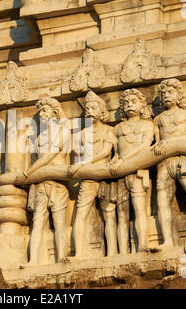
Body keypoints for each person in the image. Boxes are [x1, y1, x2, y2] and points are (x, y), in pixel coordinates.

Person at [15, 97, 70, 265]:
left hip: (57, 182)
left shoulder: (63, 132)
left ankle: (61, 257)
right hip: (40, 184)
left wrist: (28, 173)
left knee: (59, 221)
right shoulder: (39, 139)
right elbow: (35, 159)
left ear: (55, 112)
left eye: (45, 111)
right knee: (37, 223)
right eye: (39, 112)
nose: (41, 115)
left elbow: (50, 156)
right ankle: (33, 260)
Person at [153, 78, 186, 250]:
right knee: (162, 200)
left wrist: (171, 143)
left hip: (182, 158)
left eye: (170, 92)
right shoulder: (158, 120)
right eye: (163, 93)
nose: (166, 96)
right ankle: (167, 241)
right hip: (164, 163)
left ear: (179, 95)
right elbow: (156, 144)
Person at [108, 89, 154, 254]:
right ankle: (122, 251)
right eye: (126, 103)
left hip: (137, 170)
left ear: (142, 105)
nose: (129, 105)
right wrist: (115, 161)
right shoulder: (118, 128)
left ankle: (142, 244)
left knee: (140, 207)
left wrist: (123, 160)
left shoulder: (147, 125)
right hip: (120, 174)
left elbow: (144, 146)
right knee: (122, 214)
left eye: (133, 101)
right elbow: (115, 152)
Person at [70, 91, 115, 259]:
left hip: (105, 176)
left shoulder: (109, 131)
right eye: (87, 107)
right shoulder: (81, 134)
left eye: (93, 107)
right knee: (80, 214)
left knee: (109, 214)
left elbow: (105, 152)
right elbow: (78, 155)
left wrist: (85, 163)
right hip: (87, 178)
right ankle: (79, 254)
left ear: (102, 111)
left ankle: (112, 253)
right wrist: (83, 163)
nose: (89, 110)